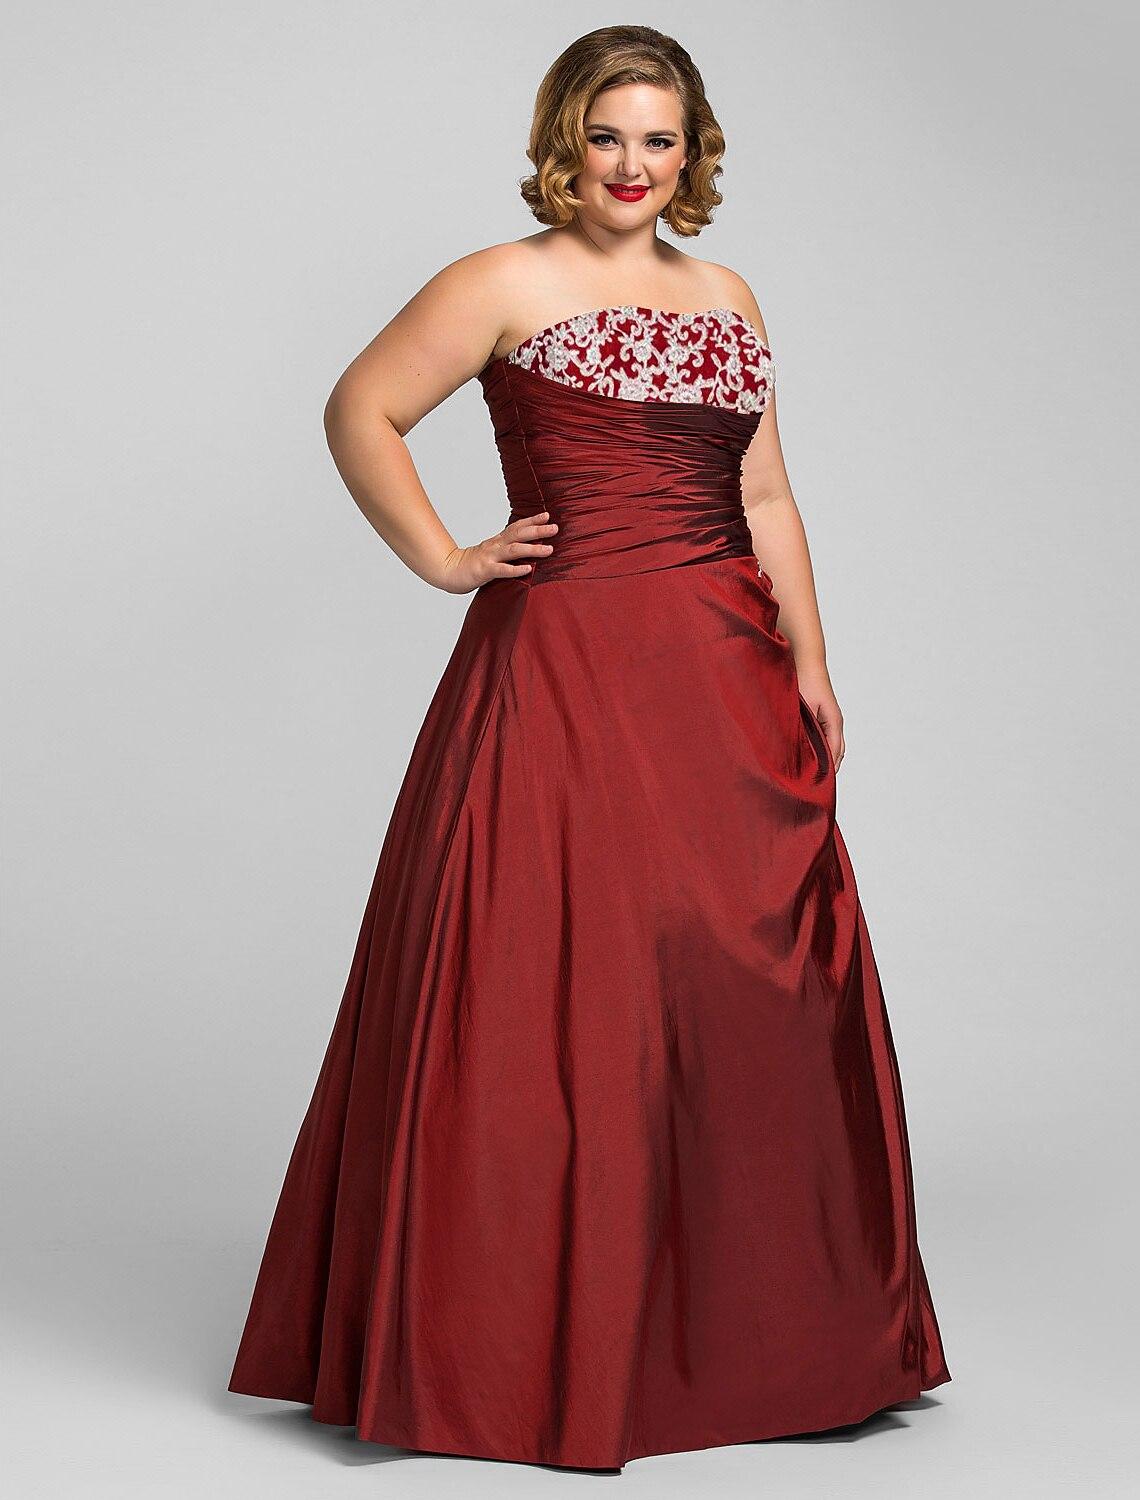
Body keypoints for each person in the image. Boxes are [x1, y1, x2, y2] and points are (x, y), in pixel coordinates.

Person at [227, 23, 951, 1472]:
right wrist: (446, 557)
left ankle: (762, 1338)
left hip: (723, 669)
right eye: (610, 135)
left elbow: (767, 496)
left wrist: (813, 663)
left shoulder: (728, 295)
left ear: (693, 153)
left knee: (739, 976)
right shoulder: (500, 283)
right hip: (565, 670)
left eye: (660, 140)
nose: (634, 165)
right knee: (561, 978)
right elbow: (360, 408)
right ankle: (518, 1344)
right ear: (567, 138)